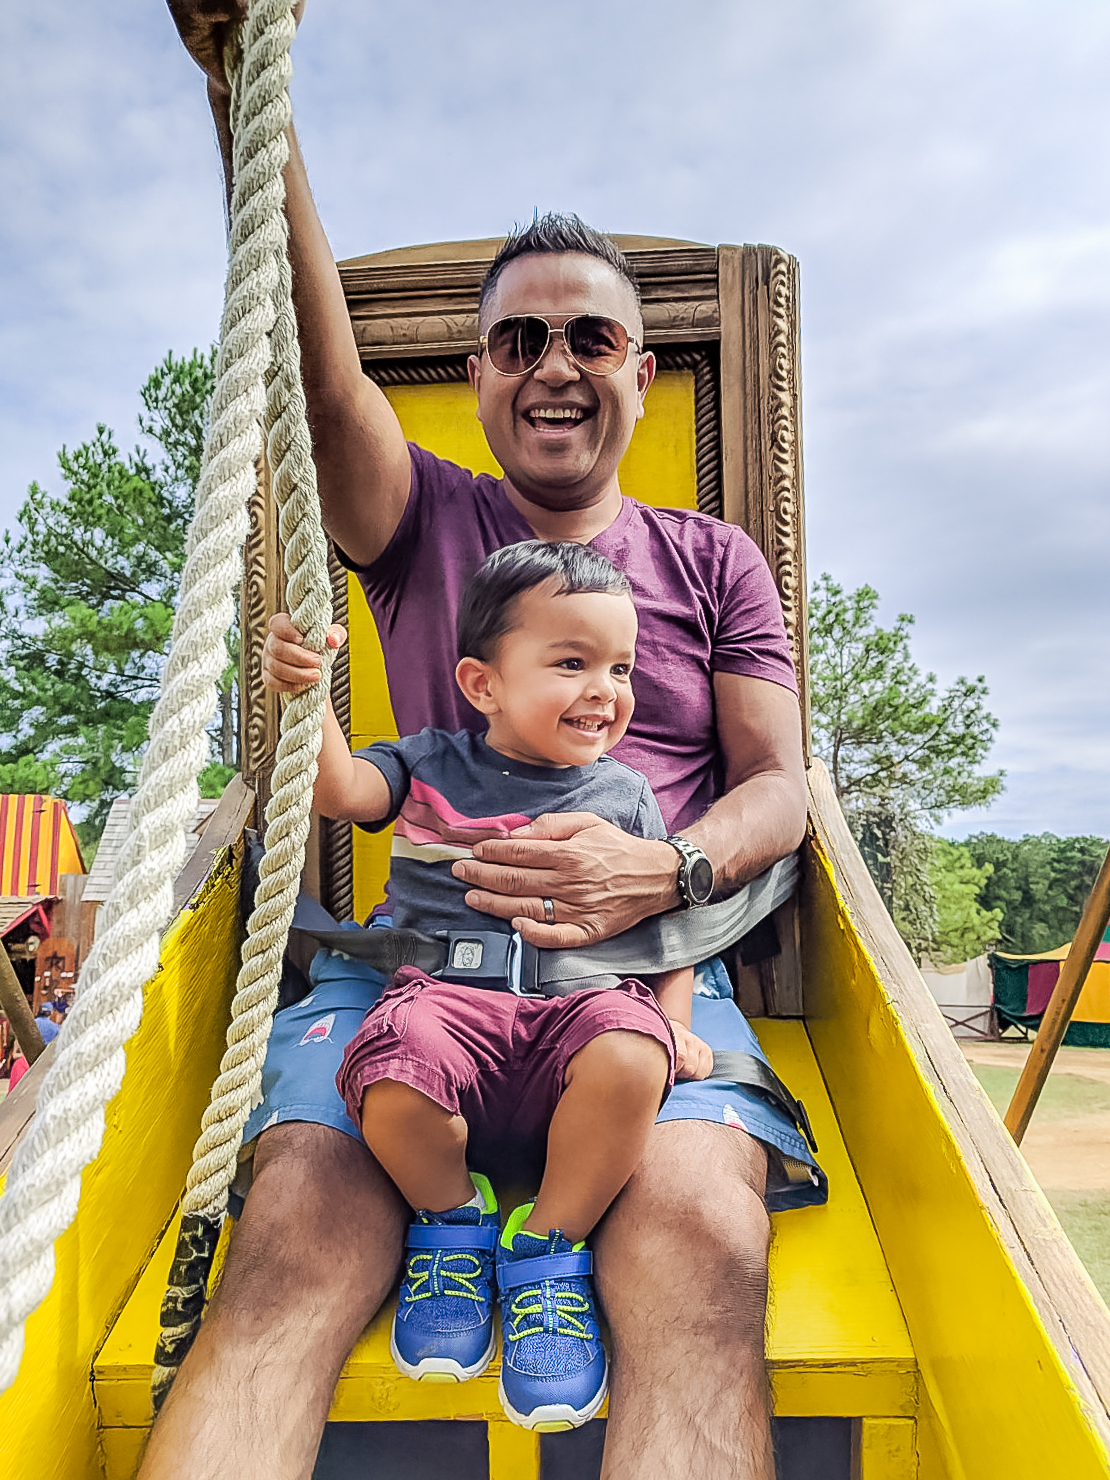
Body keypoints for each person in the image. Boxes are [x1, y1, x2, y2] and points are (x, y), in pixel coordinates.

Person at [151, 7, 820, 1478]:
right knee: (285, 1256)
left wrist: (668, 868)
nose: (556, 363)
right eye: (519, 340)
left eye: (592, 336)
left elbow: (784, 786)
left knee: (706, 1260)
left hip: (642, 995)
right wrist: (240, 93)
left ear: (641, 376)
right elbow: (325, 394)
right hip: (422, 990)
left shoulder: (712, 563)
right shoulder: (423, 523)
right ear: (480, 375)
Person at [293, 539, 703, 1430]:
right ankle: (451, 1225)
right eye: (572, 662)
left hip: (577, 1003)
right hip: (448, 997)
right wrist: (305, 699)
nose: (606, 688)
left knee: (634, 1057)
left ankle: (547, 1247)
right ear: (483, 684)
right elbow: (340, 791)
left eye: (620, 666)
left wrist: (678, 1024)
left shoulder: (627, 795)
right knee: (393, 1071)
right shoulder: (427, 762)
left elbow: (670, 932)